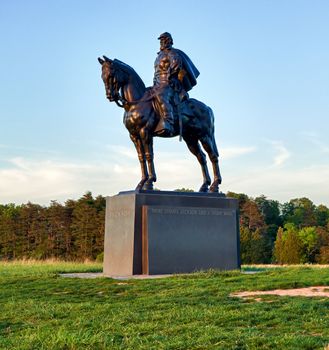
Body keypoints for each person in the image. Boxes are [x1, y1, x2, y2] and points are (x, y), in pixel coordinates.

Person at [153, 32, 200, 136]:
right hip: (158, 84)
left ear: (168, 40)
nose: (161, 42)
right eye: (161, 40)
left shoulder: (172, 53)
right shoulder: (158, 56)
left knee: (161, 95)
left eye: (163, 40)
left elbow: (176, 66)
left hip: (170, 83)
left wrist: (169, 76)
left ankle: (168, 121)